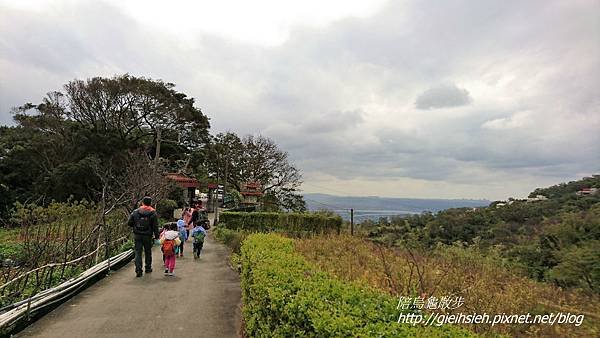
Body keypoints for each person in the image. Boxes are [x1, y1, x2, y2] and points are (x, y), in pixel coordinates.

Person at [127, 196, 160, 278]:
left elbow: (129, 223)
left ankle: (138, 270)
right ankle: (148, 268)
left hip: (137, 235)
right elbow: (155, 226)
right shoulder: (153, 212)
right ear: (150, 203)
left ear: (142, 202)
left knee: (138, 252)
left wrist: (135, 225)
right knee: (148, 252)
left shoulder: (135, 211)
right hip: (148, 235)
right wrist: (157, 236)